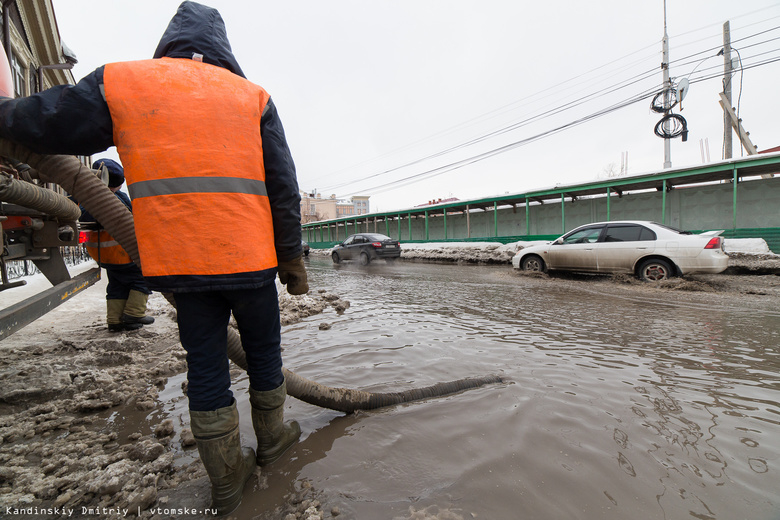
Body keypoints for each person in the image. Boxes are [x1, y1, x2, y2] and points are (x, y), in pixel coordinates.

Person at [0, 2, 309, 515]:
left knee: (207, 366)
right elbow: (284, 189)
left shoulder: (125, 82)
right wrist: (292, 263)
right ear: (223, 49)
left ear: (168, 42)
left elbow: (49, 121)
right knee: (264, 355)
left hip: (180, 265)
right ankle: (274, 440)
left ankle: (227, 477)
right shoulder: (253, 97)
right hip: (251, 262)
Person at [80, 158, 154, 332]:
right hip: (123, 253)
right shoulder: (114, 199)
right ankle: (133, 314)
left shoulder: (83, 199)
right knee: (141, 280)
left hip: (104, 256)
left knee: (117, 285)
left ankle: (114, 320)